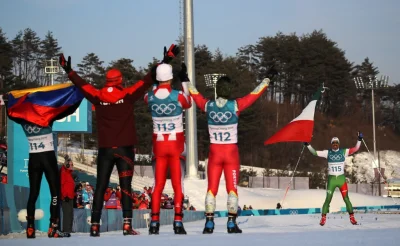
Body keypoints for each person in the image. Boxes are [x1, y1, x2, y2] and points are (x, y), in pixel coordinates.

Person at [59, 44, 180, 237]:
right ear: (120, 81)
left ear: (107, 81)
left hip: (105, 149)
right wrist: (165, 60)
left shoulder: (97, 96)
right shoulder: (127, 95)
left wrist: (68, 70)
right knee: (125, 187)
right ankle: (126, 225)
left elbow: (82, 85)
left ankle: (95, 225)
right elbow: (147, 80)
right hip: (125, 149)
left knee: (100, 186)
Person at [187, 76, 270, 234]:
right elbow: (255, 94)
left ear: (218, 90)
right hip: (231, 152)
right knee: (232, 189)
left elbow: (195, 94)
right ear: (229, 90)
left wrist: (186, 79)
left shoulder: (208, 105)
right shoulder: (235, 105)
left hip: (214, 152)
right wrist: (267, 80)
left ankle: (209, 223)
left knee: (211, 189)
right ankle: (231, 223)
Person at [5, 84, 83, 239]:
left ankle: (30, 228)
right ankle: (53, 228)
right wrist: (79, 95)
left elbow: (10, 113)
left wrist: (9, 100)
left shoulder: (21, 119)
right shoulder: (46, 116)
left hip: (33, 158)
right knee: (55, 193)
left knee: (33, 194)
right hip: (47, 158)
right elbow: (68, 109)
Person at [145, 63, 191, 235]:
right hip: (176, 145)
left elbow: (152, 95)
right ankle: (177, 221)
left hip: (158, 146)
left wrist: (156, 82)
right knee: (178, 185)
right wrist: (184, 81)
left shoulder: (149, 96)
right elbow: (189, 102)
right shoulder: (178, 95)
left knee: (158, 186)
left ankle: (154, 222)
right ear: (171, 77)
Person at [304, 132, 363, 226]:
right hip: (332, 180)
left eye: (336, 143)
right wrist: (308, 145)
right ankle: (323, 218)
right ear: (331, 144)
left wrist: (359, 139)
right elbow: (314, 152)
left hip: (341, 179)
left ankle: (352, 218)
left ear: (338, 144)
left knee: (346, 199)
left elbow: (356, 148)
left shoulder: (344, 151)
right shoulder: (327, 152)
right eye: (333, 143)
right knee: (328, 199)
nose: (335, 145)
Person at [60, 155, 75, 237]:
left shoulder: (69, 174)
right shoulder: (64, 172)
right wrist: (64, 195)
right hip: (66, 197)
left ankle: (69, 229)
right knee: (67, 214)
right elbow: (62, 185)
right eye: (71, 164)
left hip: (71, 196)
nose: (73, 166)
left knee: (70, 214)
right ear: (67, 165)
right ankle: (66, 229)